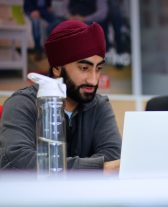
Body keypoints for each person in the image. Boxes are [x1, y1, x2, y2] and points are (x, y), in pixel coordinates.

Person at [0, 20, 122, 171]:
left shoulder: (99, 105)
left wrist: (57, 168)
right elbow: (19, 160)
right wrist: (97, 168)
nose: (93, 79)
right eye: (84, 68)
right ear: (57, 68)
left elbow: (114, 156)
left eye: (99, 68)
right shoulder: (21, 103)